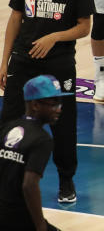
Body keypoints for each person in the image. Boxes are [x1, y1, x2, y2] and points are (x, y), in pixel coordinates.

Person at [1, 0, 94, 206]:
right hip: (23, 60)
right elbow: (15, 19)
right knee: (9, 122)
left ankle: (66, 180)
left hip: (59, 63)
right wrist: (4, 60)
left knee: (64, 124)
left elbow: (84, 27)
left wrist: (54, 37)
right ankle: (7, 179)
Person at [0, 75, 72, 231]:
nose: (59, 108)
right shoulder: (42, 140)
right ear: (35, 105)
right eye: (54, 103)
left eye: (60, 103)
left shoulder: (8, 128)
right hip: (18, 218)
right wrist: (40, 226)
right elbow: (29, 184)